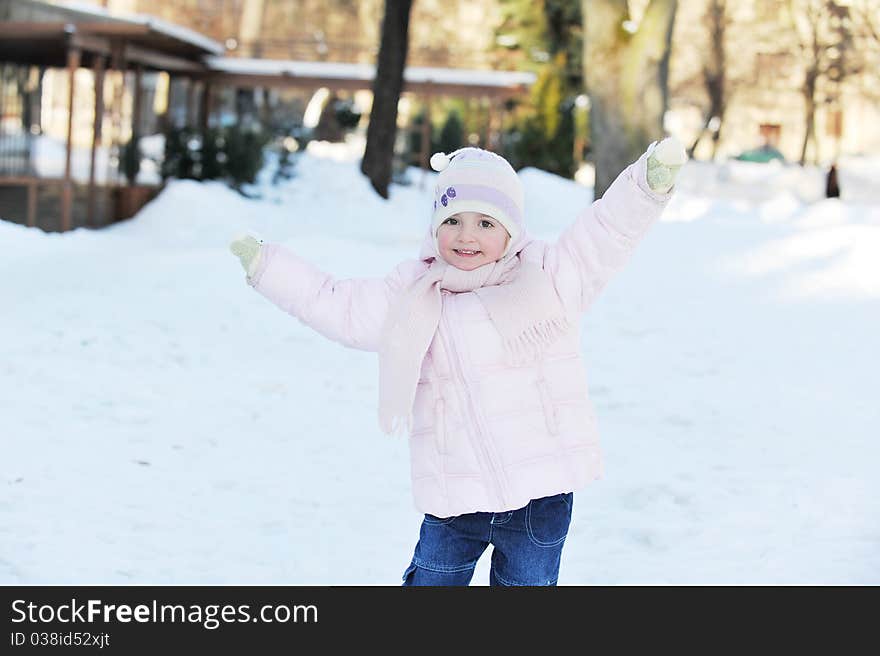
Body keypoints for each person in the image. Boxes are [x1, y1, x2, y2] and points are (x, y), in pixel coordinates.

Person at [229, 138, 687, 586]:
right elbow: (336, 305)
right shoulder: (413, 292)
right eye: (453, 221)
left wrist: (645, 186)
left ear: (513, 230)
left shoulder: (548, 276)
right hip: (455, 496)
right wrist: (269, 267)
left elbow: (604, 235)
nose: (467, 236)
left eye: (487, 223)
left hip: (540, 493)